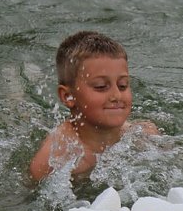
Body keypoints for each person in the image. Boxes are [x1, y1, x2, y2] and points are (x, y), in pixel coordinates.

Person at [29, 31, 159, 182]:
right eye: (101, 86)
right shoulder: (55, 157)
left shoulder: (143, 135)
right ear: (68, 96)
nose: (116, 95)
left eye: (123, 85)